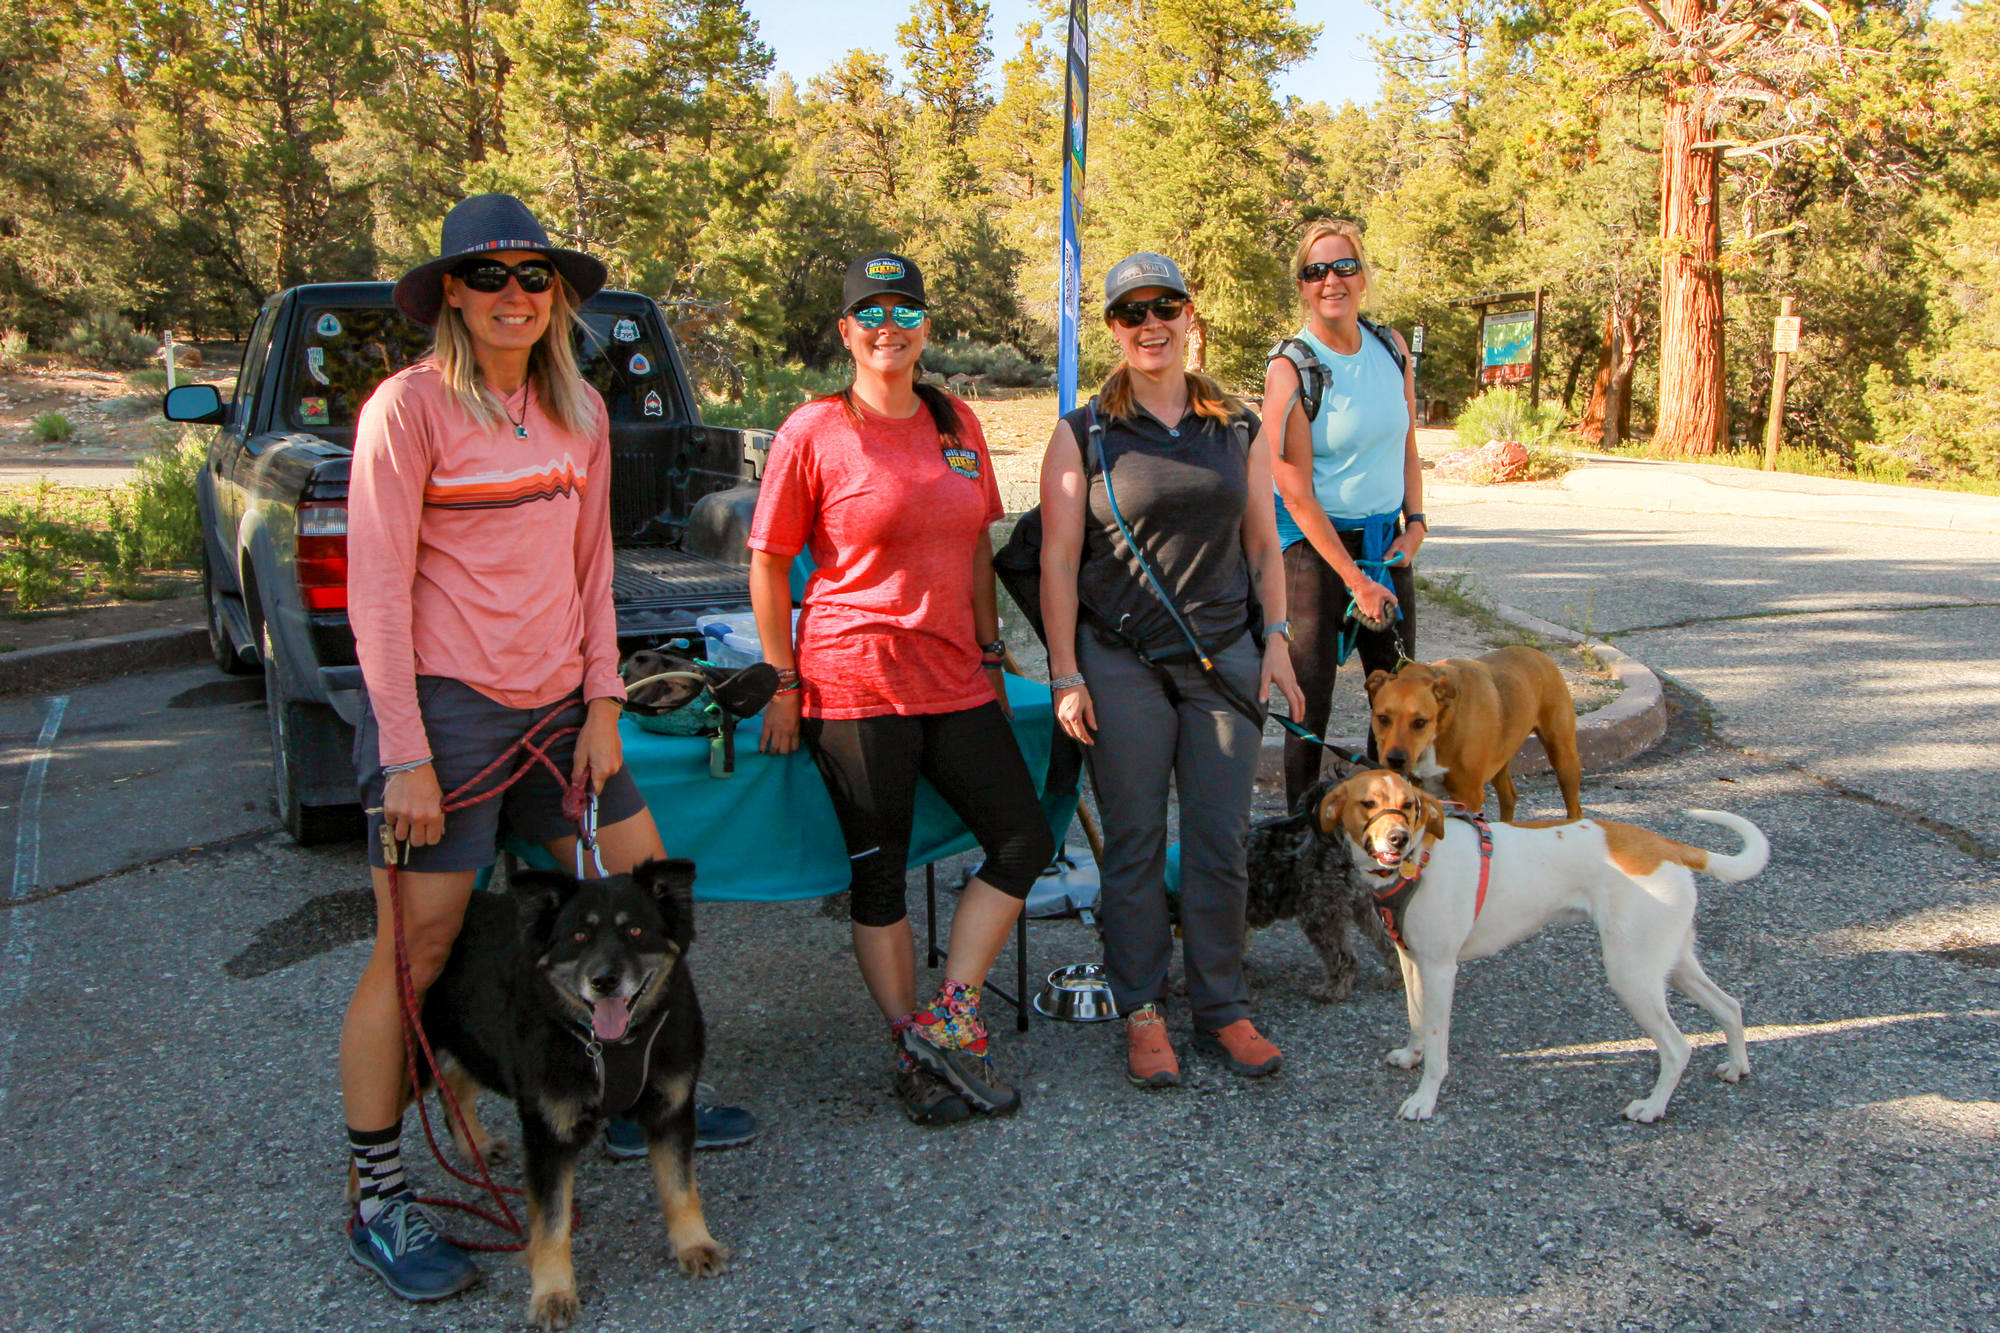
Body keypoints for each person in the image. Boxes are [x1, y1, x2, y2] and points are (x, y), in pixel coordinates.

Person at [338, 193, 750, 1304]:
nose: (513, 294)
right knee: (417, 950)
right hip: (447, 715)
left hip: (564, 710)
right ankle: (378, 1194)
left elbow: (589, 571)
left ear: (557, 296)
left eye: (534, 276)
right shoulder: (407, 409)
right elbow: (376, 595)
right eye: (488, 276)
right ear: (452, 295)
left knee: (642, 893)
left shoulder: (578, 411)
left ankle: (630, 1089)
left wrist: (604, 702)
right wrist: (406, 752)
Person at [747, 252, 1056, 1126]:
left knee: (1023, 839)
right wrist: (781, 680)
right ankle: (906, 1046)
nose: (891, 328)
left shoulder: (957, 421)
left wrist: (994, 656)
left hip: (954, 675)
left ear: (926, 327)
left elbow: (974, 548)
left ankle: (950, 1016)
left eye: (907, 312)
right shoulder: (813, 430)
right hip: (855, 681)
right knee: (880, 876)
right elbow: (768, 562)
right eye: (873, 314)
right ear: (847, 331)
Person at [1038, 252, 1305, 1090]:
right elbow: (1057, 560)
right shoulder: (1083, 432)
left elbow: (1263, 543)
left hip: (1223, 656)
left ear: (1191, 315)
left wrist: (1278, 638)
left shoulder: (1237, 426)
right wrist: (1064, 672)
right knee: (1136, 841)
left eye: (1165, 307)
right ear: (1113, 328)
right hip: (1120, 661)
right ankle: (1143, 1009)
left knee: (1222, 839)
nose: (1150, 324)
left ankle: (1222, 1006)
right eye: (1132, 312)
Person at [1263, 220, 1424, 810]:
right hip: (1313, 551)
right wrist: (1355, 581)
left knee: (1399, 698)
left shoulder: (1392, 348)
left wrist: (1417, 524)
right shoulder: (1292, 368)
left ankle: (1384, 823)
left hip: (1385, 545)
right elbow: (1293, 492)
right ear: (1302, 287)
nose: (1331, 281)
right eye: (1316, 271)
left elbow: (1407, 444)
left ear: (1363, 276)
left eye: (1343, 267)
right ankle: (1304, 829)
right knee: (1310, 703)